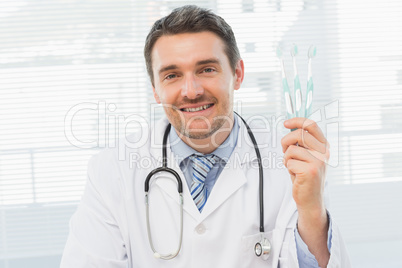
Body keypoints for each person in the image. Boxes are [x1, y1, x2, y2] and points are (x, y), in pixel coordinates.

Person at [61, 5, 350, 267]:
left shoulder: (290, 159)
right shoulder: (111, 171)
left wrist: (312, 209)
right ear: (154, 89)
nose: (191, 90)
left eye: (207, 69)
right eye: (172, 75)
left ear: (237, 74)